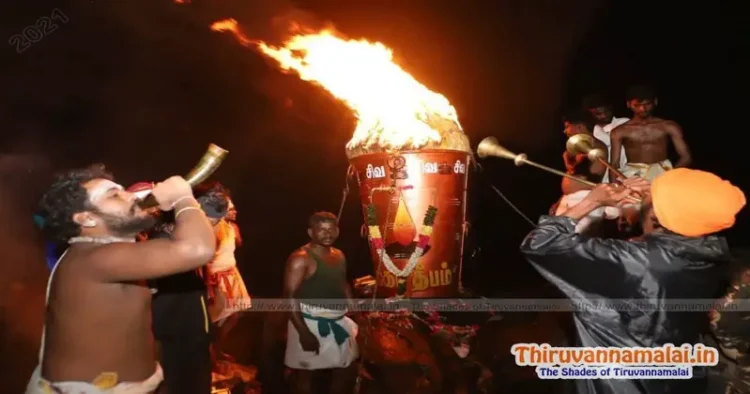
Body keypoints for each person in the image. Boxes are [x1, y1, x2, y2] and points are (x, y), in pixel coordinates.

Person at [521, 168, 746, 394]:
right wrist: (657, 197)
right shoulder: (709, 255)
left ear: (658, 214)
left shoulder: (634, 262)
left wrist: (592, 201)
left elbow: (541, 243)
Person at [26, 167, 216, 394]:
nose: (132, 196)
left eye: (123, 191)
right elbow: (196, 249)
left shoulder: (103, 252)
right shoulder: (94, 257)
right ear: (86, 219)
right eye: (114, 195)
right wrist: (183, 198)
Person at [127, 182, 213, 394]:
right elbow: (198, 250)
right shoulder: (148, 243)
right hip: (162, 321)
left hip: (184, 317)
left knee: (190, 368)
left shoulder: (163, 237)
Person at [283, 212, 358, 394]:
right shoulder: (300, 258)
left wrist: (351, 303)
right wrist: (303, 333)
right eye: (322, 230)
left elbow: (342, 281)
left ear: (338, 231)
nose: (327, 234)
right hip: (309, 321)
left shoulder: (339, 255)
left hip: (337, 319)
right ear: (311, 232)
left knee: (344, 367)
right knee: (306, 375)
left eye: (331, 229)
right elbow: (289, 297)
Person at [196, 184, 251, 362]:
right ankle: (208, 352)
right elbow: (207, 256)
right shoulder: (214, 228)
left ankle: (217, 349)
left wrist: (234, 230)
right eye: (231, 208)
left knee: (236, 314)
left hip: (231, 272)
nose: (235, 211)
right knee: (215, 317)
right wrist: (209, 280)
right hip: (217, 277)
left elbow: (238, 244)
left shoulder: (230, 227)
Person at [609, 85, 692, 180]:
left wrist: (670, 177)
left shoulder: (668, 126)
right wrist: (614, 188)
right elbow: (614, 164)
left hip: (663, 173)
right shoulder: (620, 131)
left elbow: (686, 157)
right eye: (637, 105)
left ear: (655, 102)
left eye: (647, 104)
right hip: (634, 176)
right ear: (628, 104)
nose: (642, 109)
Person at [557, 113, 620, 234]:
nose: (565, 131)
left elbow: (592, 175)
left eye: (568, 126)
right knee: (557, 238)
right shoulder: (575, 148)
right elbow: (571, 176)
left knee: (574, 242)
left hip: (586, 200)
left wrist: (574, 162)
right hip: (569, 200)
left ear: (579, 127)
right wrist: (560, 200)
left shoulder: (597, 146)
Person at [582, 94, 630, 183]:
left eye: (607, 111)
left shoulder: (624, 123)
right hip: (603, 181)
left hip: (627, 175)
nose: (604, 115)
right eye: (598, 114)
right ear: (589, 113)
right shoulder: (591, 132)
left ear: (611, 108)